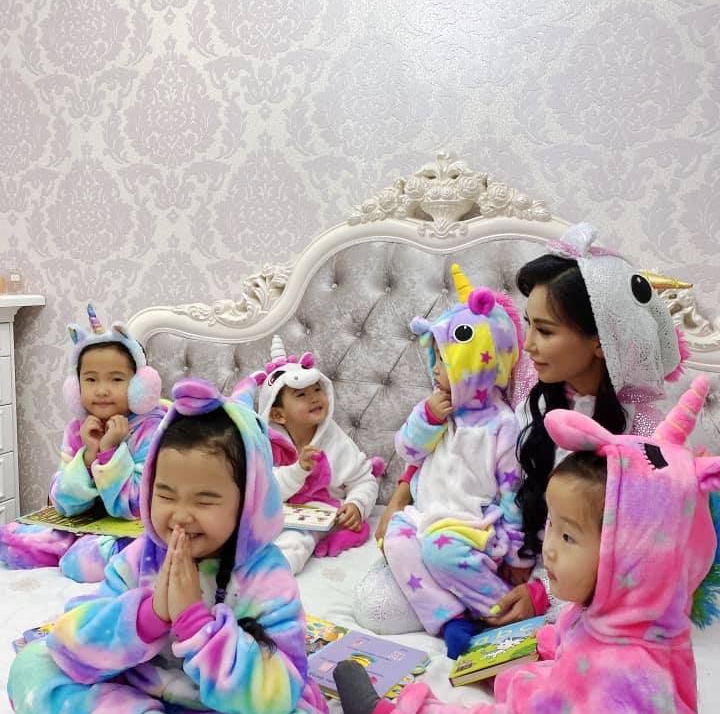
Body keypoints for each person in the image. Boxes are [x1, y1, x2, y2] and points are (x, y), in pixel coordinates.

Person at [335, 377, 718, 714]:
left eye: (568, 536)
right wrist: (538, 647)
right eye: (552, 527)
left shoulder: (634, 689)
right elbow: (577, 648)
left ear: (635, 558)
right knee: (488, 713)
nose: (549, 549)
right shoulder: (617, 619)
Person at [7, 377, 331, 714]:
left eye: (205, 499)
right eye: (165, 494)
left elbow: (278, 693)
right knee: (31, 668)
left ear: (247, 503)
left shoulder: (265, 577)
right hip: (131, 705)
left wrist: (196, 625)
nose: (180, 514)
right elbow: (71, 645)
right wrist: (149, 616)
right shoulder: (141, 557)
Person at [371, 224, 688, 630]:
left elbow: (637, 547)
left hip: (569, 577)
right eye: (528, 325)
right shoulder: (523, 385)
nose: (529, 344)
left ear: (600, 340)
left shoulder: (639, 429)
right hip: (479, 542)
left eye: (546, 330)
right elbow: (452, 431)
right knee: (377, 608)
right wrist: (400, 495)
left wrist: (541, 592)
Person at [355, 265, 525, 657]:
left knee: (440, 551)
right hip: (424, 514)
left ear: (478, 364)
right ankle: (449, 617)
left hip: (471, 523)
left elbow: (512, 490)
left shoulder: (502, 424)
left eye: (444, 361)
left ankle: (499, 612)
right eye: (434, 358)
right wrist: (428, 418)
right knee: (395, 541)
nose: (434, 370)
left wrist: (517, 552)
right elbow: (408, 451)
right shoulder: (434, 410)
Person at [0, 304, 165, 581]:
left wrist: (110, 452)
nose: (101, 390)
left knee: (83, 561)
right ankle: (71, 549)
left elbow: (136, 505)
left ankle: (116, 559)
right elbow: (62, 503)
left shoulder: (152, 430)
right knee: (10, 538)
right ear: (76, 388)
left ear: (139, 386)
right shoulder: (79, 429)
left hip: (135, 526)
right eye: (90, 379)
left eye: (116, 379)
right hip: (89, 525)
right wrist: (88, 455)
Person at [254, 335, 379, 574]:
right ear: (278, 415)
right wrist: (298, 470)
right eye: (301, 395)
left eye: (317, 389)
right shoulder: (266, 445)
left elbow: (364, 480)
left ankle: (274, 574)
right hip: (275, 509)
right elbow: (265, 490)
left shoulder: (334, 440)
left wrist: (357, 505)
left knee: (297, 539)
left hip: (317, 511)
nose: (314, 397)